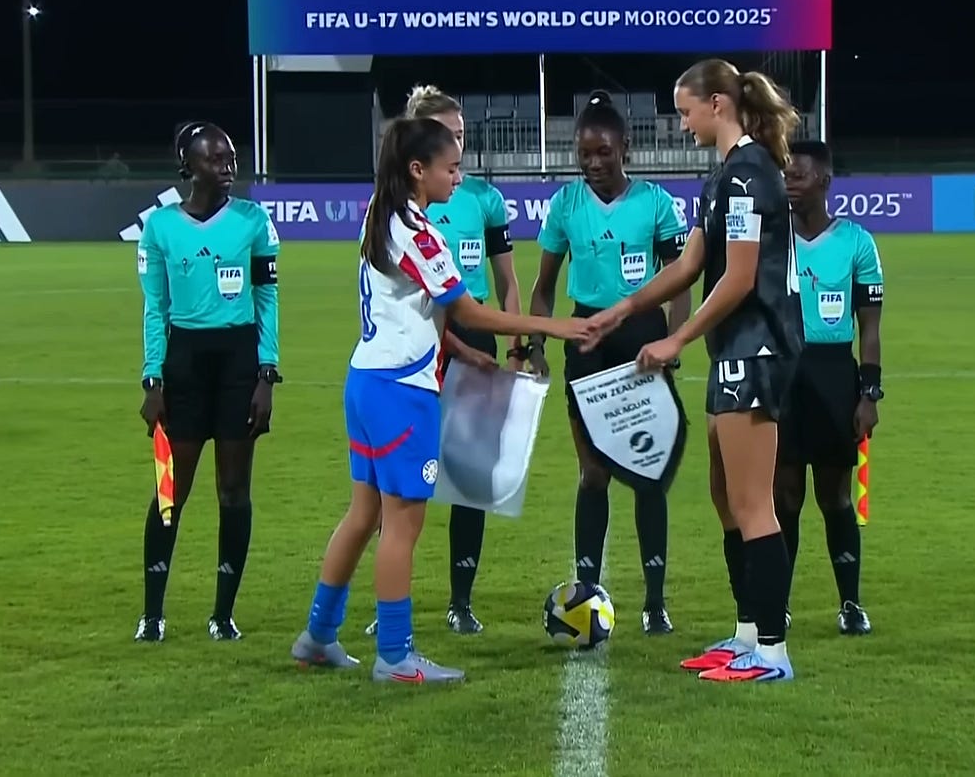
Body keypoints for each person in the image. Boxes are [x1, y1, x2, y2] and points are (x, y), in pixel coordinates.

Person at [289, 117, 589, 684]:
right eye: (450, 168)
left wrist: (461, 351)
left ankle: (318, 635)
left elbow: (408, 308)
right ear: (417, 170)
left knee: (364, 514)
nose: (458, 177)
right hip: (403, 393)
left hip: (366, 381)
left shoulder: (380, 214)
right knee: (401, 526)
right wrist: (553, 327)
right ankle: (395, 656)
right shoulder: (418, 232)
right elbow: (467, 309)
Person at [583, 59, 803, 683]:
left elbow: (738, 278)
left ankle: (772, 651)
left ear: (717, 105)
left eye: (686, 111)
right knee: (726, 498)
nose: (682, 124)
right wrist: (623, 310)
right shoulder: (723, 178)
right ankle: (746, 634)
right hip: (734, 352)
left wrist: (676, 337)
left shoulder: (749, 176)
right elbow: (687, 266)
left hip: (758, 350)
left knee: (752, 504)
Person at [528, 90, 691, 635]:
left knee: (649, 473)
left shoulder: (656, 203)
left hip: (642, 341)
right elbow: (544, 287)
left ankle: (655, 602)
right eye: (584, 153)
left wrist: (673, 343)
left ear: (625, 149)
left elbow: (680, 281)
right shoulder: (565, 205)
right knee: (594, 473)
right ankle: (585, 595)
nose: (593, 162)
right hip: (586, 341)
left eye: (603, 152)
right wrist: (535, 346)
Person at [361, 84, 522, 637]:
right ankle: (388, 610)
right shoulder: (397, 212)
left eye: (462, 135)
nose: (460, 146)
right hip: (424, 347)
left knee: (469, 475)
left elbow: (506, 279)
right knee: (397, 489)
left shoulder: (482, 199)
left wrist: (517, 347)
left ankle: (461, 600)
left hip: (477, 340)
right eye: (449, 136)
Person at [134, 121, 281, 643]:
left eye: (231, 157)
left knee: (234, 491)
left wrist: (267, 374)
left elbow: (267, 300)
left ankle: (223, 615)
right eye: (215, 159)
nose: (227, 167)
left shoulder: (253, 221)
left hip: (239, 363)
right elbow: (155, 308)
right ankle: (153, 614)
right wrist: (153, 380)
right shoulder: (160, 228)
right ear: (187, 167)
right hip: (184, 365)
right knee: (170, 491)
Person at [776, 140, 882, 636]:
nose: (789, 184)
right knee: (784, 497)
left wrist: (869, 393)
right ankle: (778, 604)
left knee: (835, 496)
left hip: (835, 374)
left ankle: (850, 603)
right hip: (782, 372)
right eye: (785, 176)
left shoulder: (857, 242)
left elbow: (870, 328)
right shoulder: (772, 238)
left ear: (824, 181)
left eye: (798, 176)